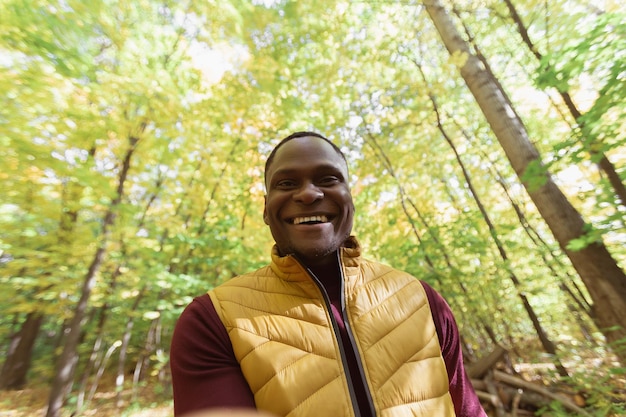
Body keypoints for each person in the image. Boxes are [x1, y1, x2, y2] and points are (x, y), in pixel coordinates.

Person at [170, 131, 487, 417]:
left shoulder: (421, 299)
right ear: (266, 209)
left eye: (328, 178)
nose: (308, 194)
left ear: (350, 198)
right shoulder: (212, 320)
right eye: (287, 183)